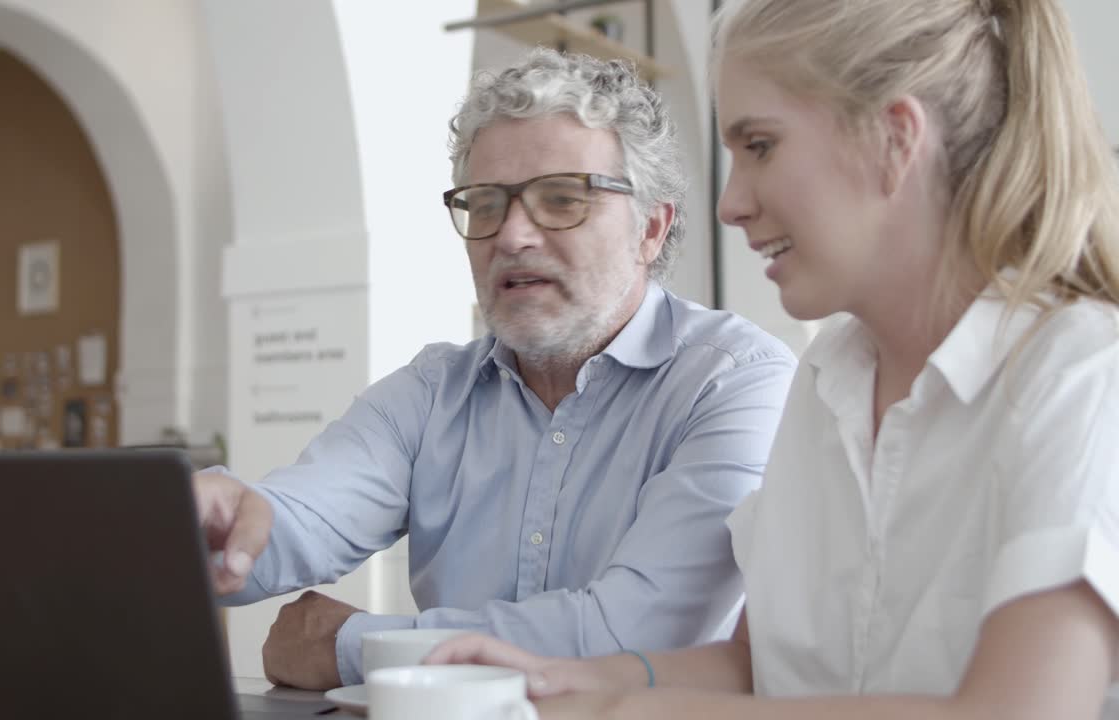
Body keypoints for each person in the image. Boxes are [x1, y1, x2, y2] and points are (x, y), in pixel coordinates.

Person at [425, 1, 1119, 718]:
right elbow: (762, 666)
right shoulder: (827, 381)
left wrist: (640, 714)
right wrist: (564, 682)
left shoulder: (1082, 375)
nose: (730, 203)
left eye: (758, 146)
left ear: (894, 138)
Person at [194, 48, 796, 690]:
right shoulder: (431, 393)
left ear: (651, 228)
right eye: (485, 205)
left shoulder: (733, 381)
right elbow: (293, 522)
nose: (511, 236)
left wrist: (349, 646)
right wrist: (218, 524)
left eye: (561, 199)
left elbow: (633, 635)